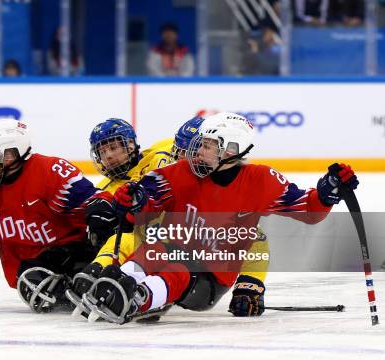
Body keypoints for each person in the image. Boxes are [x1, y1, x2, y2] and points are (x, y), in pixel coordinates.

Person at [83, 112, 358, 324]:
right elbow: (145, 199)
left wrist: (327, 191)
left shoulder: (260, 181)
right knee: (154, 249)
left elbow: (309, 210)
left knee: (178, 270)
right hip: (172, 249)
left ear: (230, 150)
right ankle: (118, 282)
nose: (197, 151)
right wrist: (131, 201)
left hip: (209, 278)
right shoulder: (181, 172)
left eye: (206, 145)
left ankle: (140, 299)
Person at [68, 116, 271, 319]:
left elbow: (255, 239)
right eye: (180, 152)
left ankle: (143, 292)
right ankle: (99, 275)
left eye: (195, 152)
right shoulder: (165, 165)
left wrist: (250, 286)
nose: (184, 159)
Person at [0, 119, 110, 312]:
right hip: (32, 275)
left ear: (9, 154)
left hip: (78, 254)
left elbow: (100, 207)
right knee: (31, 275)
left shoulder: (49, 171)